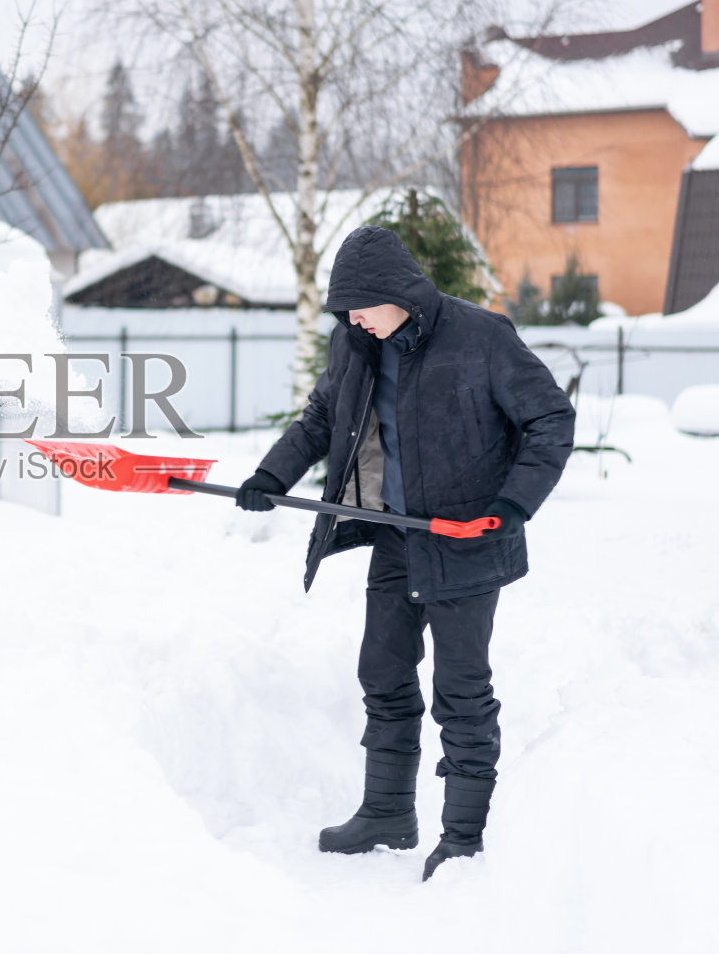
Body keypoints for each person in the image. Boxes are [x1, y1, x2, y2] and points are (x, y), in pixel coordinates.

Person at [235, 224, 575, 881]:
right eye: (344, 310)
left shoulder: (481, 338)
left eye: (358, 303)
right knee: (382, 672)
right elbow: (319, 421)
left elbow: (550, 419)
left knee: (461, 690)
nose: (351, 317)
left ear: (395, 291)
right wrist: (271, 476)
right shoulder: (357, 344)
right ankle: (388, 809)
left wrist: (511, 506)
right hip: (396, 532)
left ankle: (464, 837)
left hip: (465, 541)